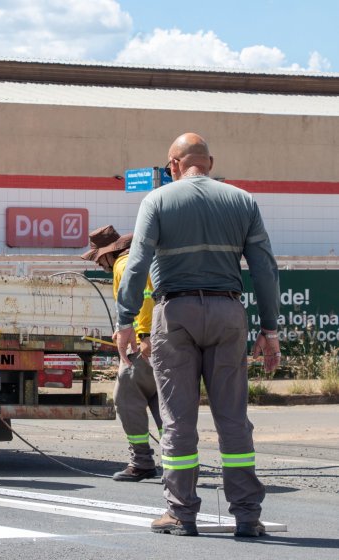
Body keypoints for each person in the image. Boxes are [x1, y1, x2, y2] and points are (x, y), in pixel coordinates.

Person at [114, 133, 281, 538]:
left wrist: (124, 320)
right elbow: (264, 268)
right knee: (233, 419)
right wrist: (270, 330)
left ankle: (181, 513)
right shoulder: (242, 200)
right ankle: (247, 515)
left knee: (178, 419)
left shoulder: (157, 200)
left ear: (173, 164)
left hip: (176, 315)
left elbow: (136, 264)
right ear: (209, 162)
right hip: (227, 312)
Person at [82, 225, 163, 482]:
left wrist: (143, 335)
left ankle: (141, 461)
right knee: (165, 403)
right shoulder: (145, 258)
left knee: (126, 399)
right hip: (167, 338)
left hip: (144, 345)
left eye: (98, 258)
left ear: (108, 254)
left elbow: (145, 298)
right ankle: (179, 463)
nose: (100, 264)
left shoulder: (123, 264)